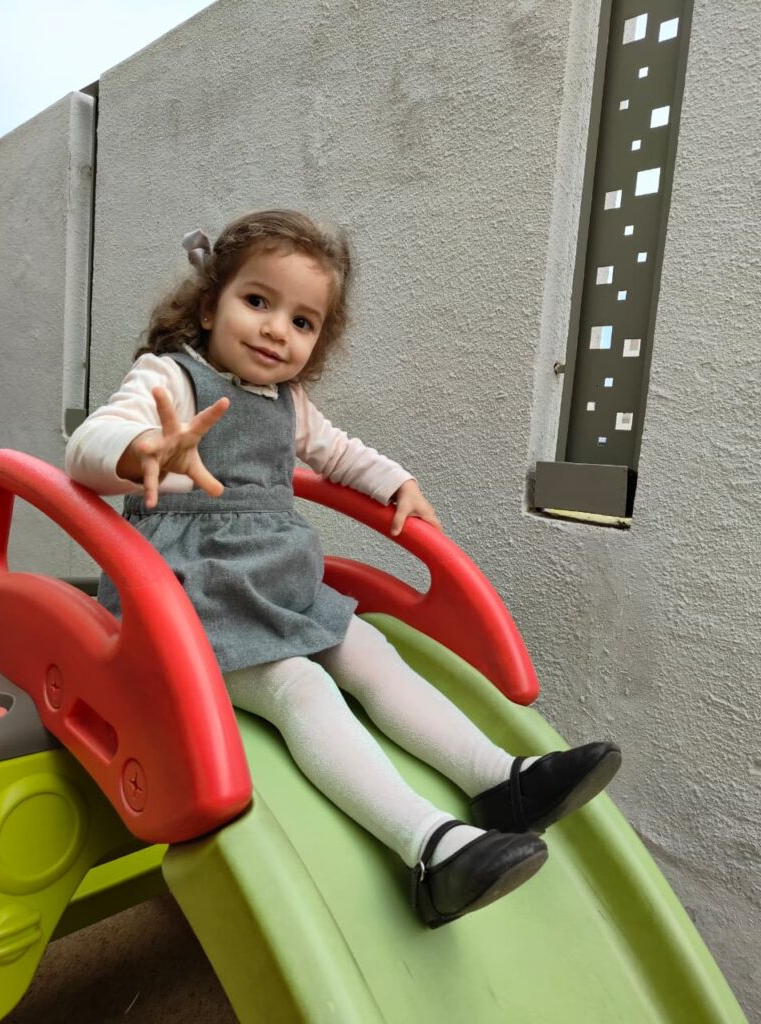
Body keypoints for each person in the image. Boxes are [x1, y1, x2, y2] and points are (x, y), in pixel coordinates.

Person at [66, 209, 621, 928]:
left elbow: (339, 452)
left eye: (303, 321)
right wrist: (142, 449)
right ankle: (429, 849)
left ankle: (501, 782)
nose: (276, 330)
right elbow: (89, 444)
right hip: (189, 599)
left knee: (372, 653)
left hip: (278, 585)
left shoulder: (287, 403)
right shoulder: (169, 378)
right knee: (301, 688)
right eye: (257, 301)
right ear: (208, 306)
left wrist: (395, 483)